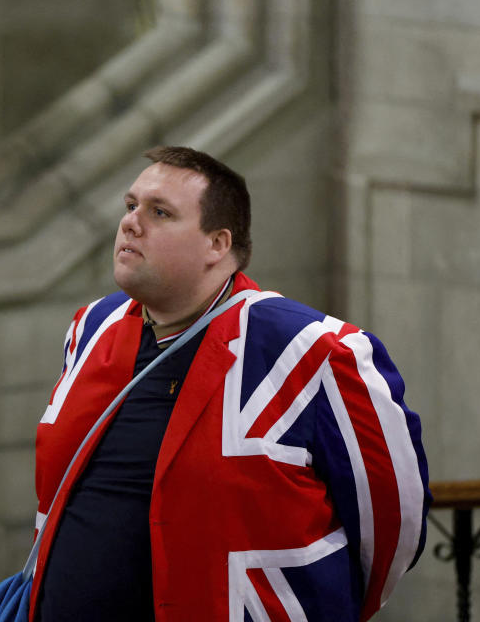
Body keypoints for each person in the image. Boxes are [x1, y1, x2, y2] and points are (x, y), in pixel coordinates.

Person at [29, 146, 430, 621]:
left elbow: (392, 522)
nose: (132, 222)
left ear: (217, 244)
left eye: (160, 212)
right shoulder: (92, 327)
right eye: (131, 205)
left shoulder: (315, 351)